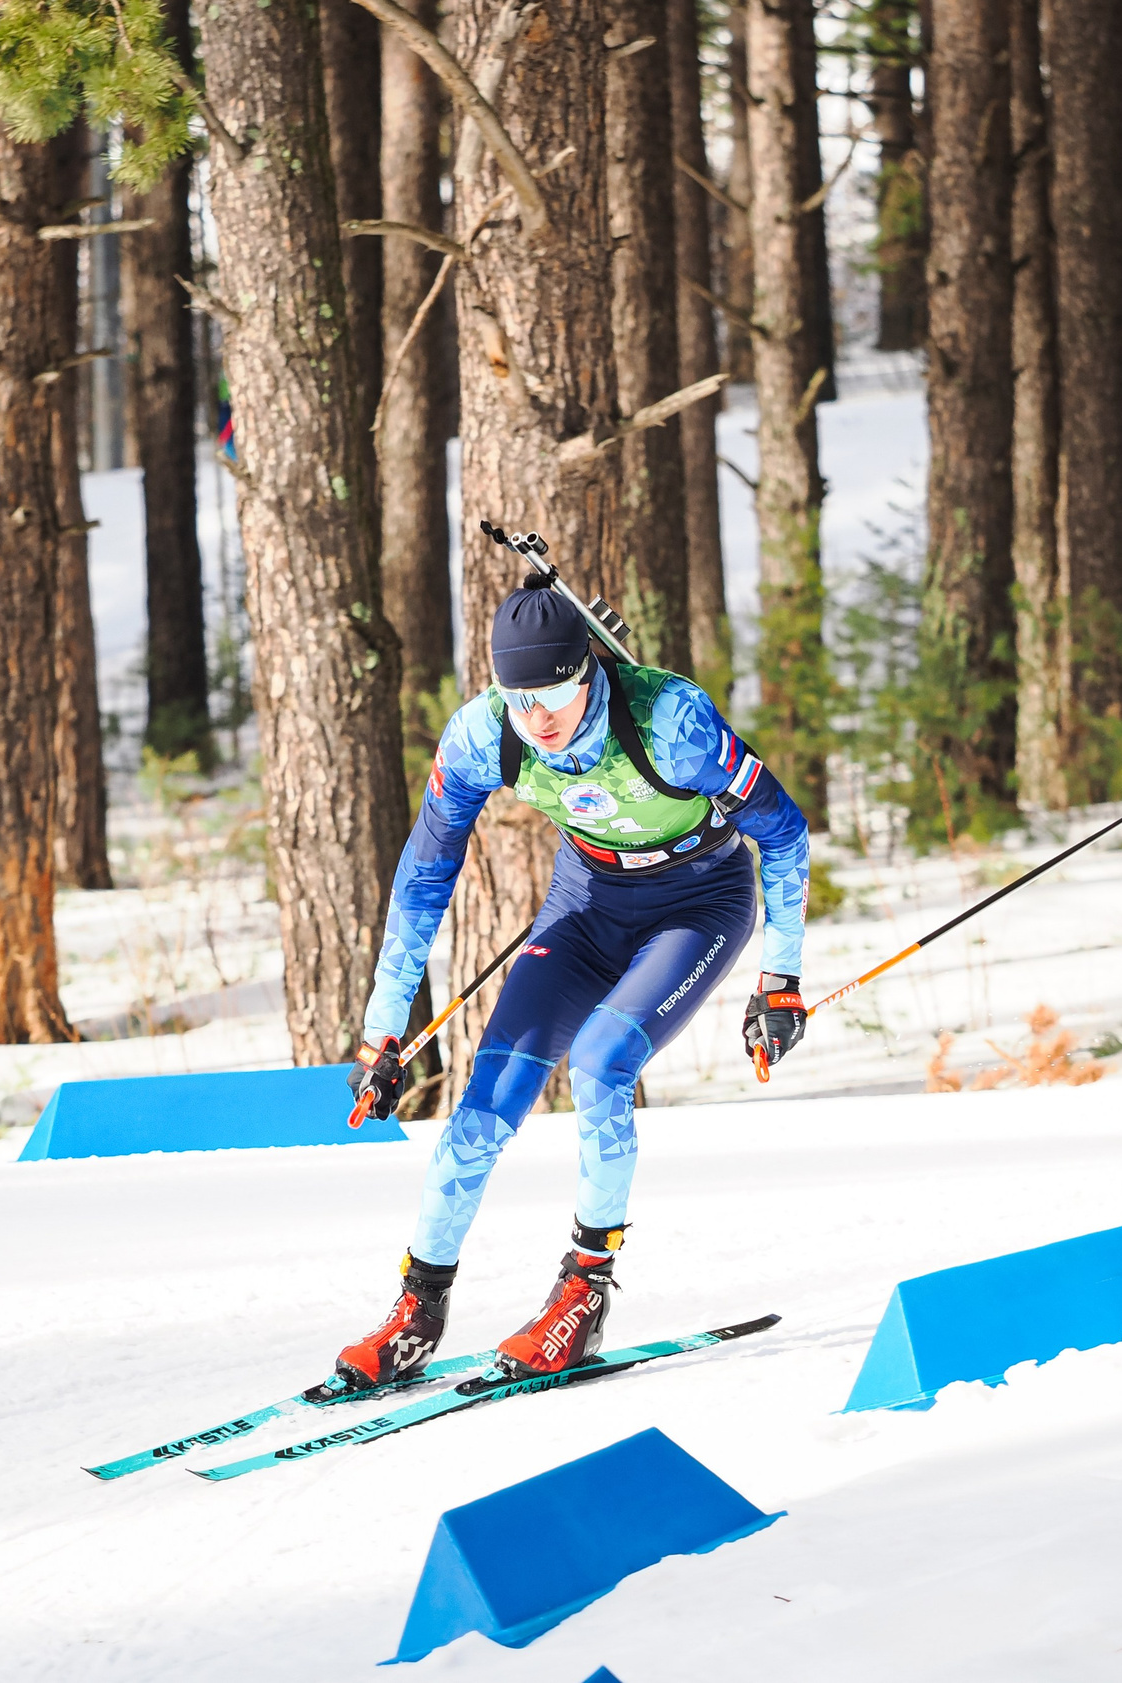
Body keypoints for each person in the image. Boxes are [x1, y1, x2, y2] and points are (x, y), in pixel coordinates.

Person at [332, 571, 813, 1387]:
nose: (539, 719)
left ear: (588, 666)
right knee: (483, 1103)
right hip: (587, 901)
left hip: (696, 903)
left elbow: (785, 831)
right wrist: (385, 1027)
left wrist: (782, 976)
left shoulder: (672, 721)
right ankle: (418, 1310)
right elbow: (423, 876)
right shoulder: (483, 735)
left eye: (554, 692)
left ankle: (582, 1298)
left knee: (600, 1062)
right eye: (521, 699)